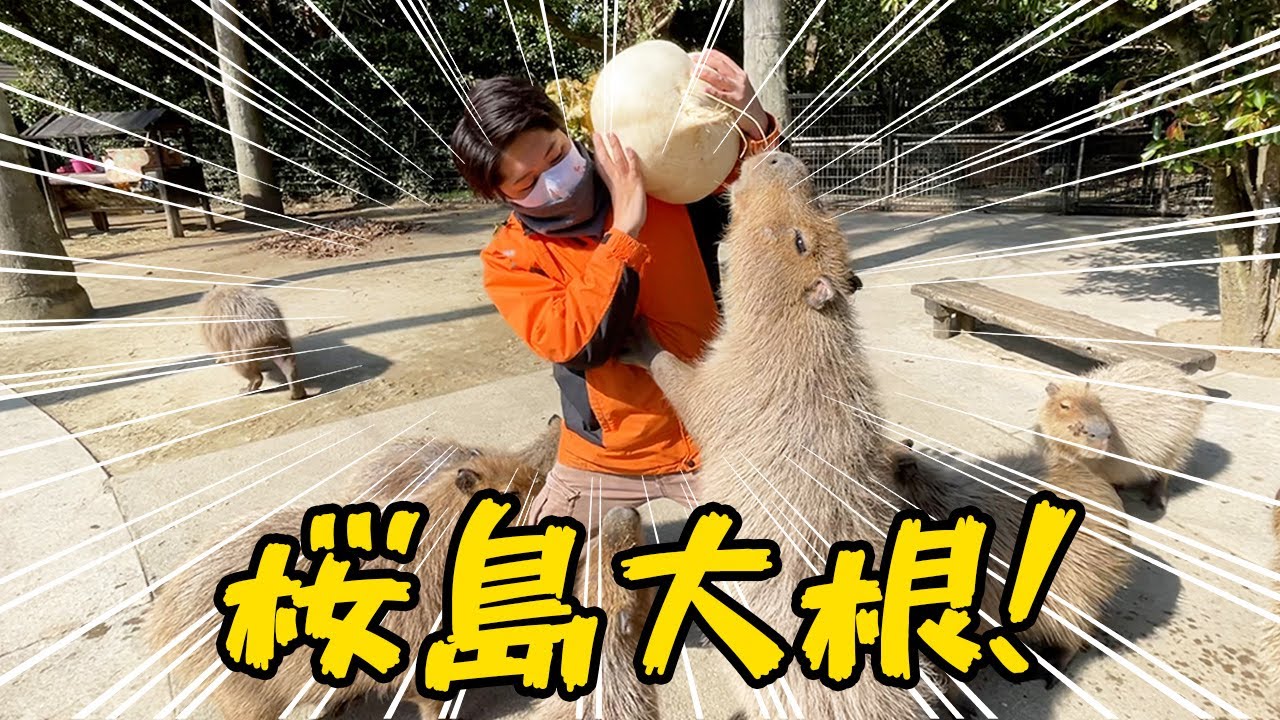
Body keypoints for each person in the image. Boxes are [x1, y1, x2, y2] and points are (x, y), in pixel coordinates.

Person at [449, 50, 781, 535]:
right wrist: (626, 227)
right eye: (527, 181)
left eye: (556, 155)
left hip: (712, 430)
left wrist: (755, 122)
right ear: (501, 195)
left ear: (566, 130)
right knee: (537, 569)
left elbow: (766, 196)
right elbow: (582, 343)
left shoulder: (661, 180)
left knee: (790, 553)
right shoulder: (509, 259)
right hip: (603, 453)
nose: (553, 182)